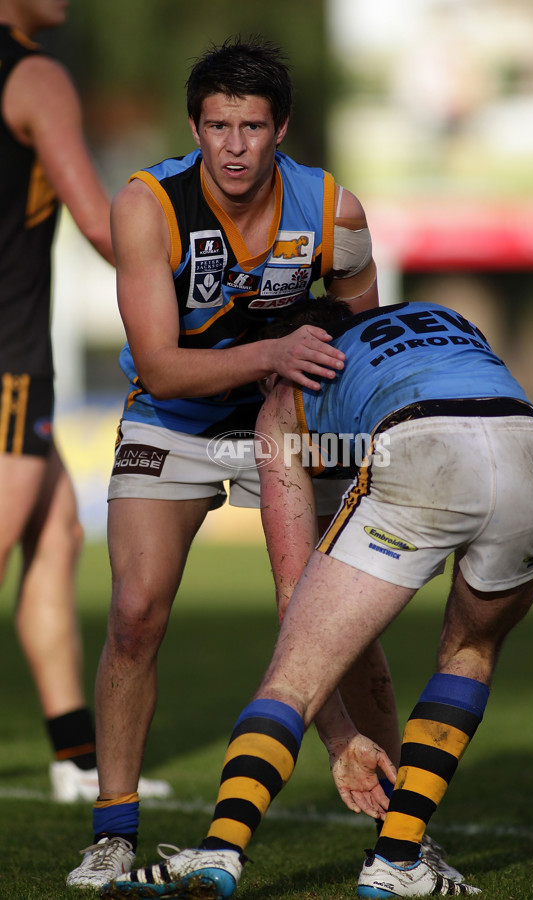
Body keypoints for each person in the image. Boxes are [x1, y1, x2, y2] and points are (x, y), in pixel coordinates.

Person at [65, 36, 411, 889]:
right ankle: (112, 836)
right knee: (135, 614)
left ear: (280, 128)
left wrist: (355, 425)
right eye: (217, 124)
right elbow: (157, 365)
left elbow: (361, 333)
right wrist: (274, 354)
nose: (232, 145)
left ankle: (404, 840)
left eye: (251, 126)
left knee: (349, 628)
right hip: (175, 418)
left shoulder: (335, 210)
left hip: (290, 423)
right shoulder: (148, 205)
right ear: (194, 125)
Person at [101, 296, 533, 898]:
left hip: (420, 444)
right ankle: (398, 860)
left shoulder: (283, 394)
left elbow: (294, 589)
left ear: (279, 365)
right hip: (529, 446)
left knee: (291, 678)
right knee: (471, 650)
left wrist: (341, 740)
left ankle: (218, 853)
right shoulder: (441, 314)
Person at [0, 0, 170, 804]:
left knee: (58, 530)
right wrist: (204, 277)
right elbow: (103, 224)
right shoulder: (33, 73)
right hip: (7, 362)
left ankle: (75, 757)